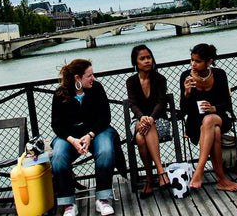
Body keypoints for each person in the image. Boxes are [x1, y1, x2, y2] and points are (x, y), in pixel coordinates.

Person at [51, 59, 117, 216]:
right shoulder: (60, 94)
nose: (93, 78)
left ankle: (103, 199)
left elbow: (105, 117)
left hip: (97, 131)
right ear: (77, 78)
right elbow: (57, 125)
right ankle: (68, 203)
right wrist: (72, 140)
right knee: (58, 156)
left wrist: (90, 135)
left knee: (106, 150)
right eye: (89, 76)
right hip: (69, 137)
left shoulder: (97, 88)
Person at [179, 43, 237, 192]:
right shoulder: (186, 76)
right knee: (213, 130)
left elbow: (227, 103)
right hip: (195, 121)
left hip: (219, 117)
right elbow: (183, 111)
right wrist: (187, 93)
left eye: (198, 61)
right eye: (192, 60)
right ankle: (222, 180)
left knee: (210, 120)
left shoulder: (219, 74)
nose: (193, 64)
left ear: (209, 62)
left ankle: (199, 170)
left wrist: (214, 108)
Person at [126, 45, 171, 198]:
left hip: (159, 120)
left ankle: (150, 179)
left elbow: (161, 103)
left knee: (141, 136)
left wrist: (150, 118)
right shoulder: (131, 81)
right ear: (135, 62)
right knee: (142, 130)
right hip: (139, 121)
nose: (147, 61)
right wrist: (141, 117)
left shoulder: (159, 79)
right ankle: (161, 172)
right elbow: (133, 103)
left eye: (149, 57)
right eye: (142, 58)